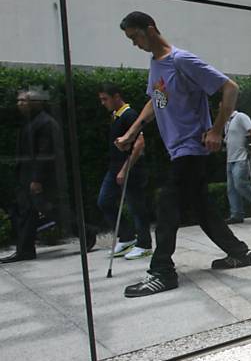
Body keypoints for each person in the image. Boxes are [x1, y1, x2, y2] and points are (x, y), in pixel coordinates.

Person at [115, 11, 251, 298]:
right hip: (177, 150)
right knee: (201, 207)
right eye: (130, 39)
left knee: (167, 204)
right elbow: (155, 101)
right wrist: (132, 133)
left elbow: (230, 88)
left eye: (135, 37)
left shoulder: (181, 60)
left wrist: (216, 130)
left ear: (150, 29)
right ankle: (240, 253)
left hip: (192, 148)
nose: (134, 44)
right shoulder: (156, 64)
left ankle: (162, 272)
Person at [1, 89, 85, 263]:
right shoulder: (31, 122)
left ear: (35, 103)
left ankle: (86, 231)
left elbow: (45, 153)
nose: (19, 104)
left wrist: (37, 179)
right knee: (27, 213)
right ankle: (25, 250)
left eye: (23, 101)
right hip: (27, 176)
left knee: (51, 210)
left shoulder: (45, 123)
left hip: (38, 178)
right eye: (19, 101)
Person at [97, 85, 152, 260]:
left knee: (136, 206)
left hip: (131, 168)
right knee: (104, 201)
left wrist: (124, 170)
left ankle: (144, 244)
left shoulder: (129, 115)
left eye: (105, 99)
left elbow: (139, 144)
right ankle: (127, 236)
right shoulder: (116, 116)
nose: (103, 103)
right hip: (114, 167)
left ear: (116, 97)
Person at [223, 109, 251, 224]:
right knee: (231, 189)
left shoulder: (240, 116)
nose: (220, 109)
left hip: (241, 158)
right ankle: (236, 215)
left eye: (222, 107)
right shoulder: (227, 122)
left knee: (239, 184)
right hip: (230, 159)